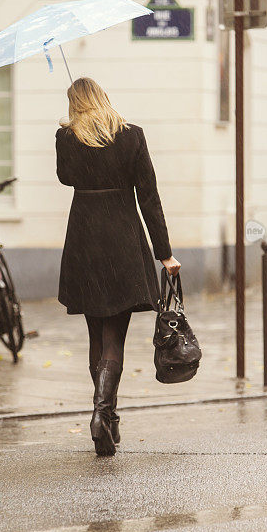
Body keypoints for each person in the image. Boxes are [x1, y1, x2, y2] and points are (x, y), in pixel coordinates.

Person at [55, 77, 181, 457]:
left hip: (84, 239)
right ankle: (103, 414)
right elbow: (149, 197)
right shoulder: (131, 135)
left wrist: (77, 140)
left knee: (96, 333)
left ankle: (106, 419)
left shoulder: (65, 138)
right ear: (104, 98)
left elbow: (66, 178)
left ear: (75, 103)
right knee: (114, 336)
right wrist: (165, 253)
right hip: (122, 239)